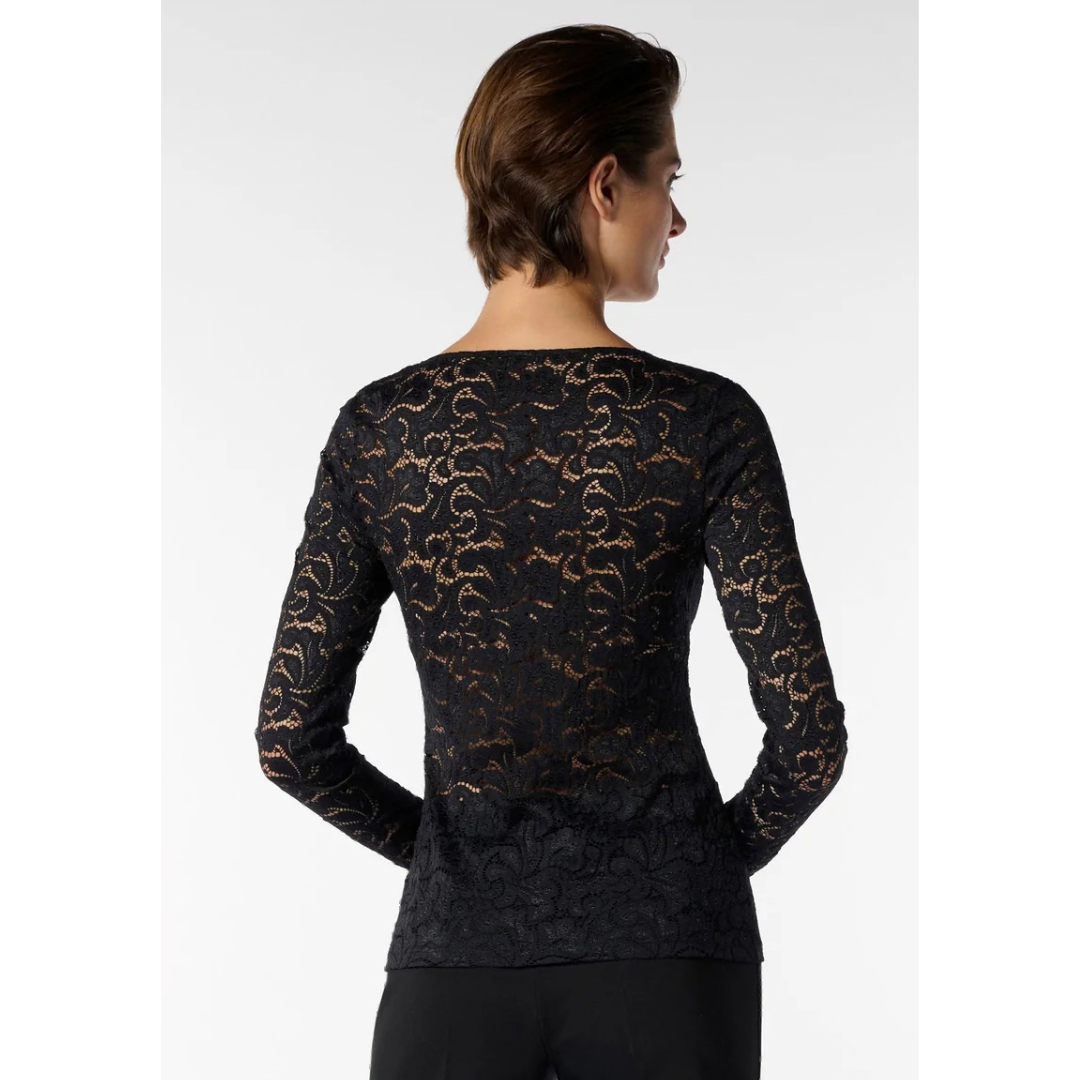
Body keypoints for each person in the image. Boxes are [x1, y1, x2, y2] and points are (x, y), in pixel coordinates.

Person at [254, 23, 848, 1080]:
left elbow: (290, 740)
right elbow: (808, 738)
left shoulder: (380, 432)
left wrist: (453, 861)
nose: (678, 217)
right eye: (670, 179)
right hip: (673, 965)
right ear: (605, 184)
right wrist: (685, 872)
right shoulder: (703, 422)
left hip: (454, 963)